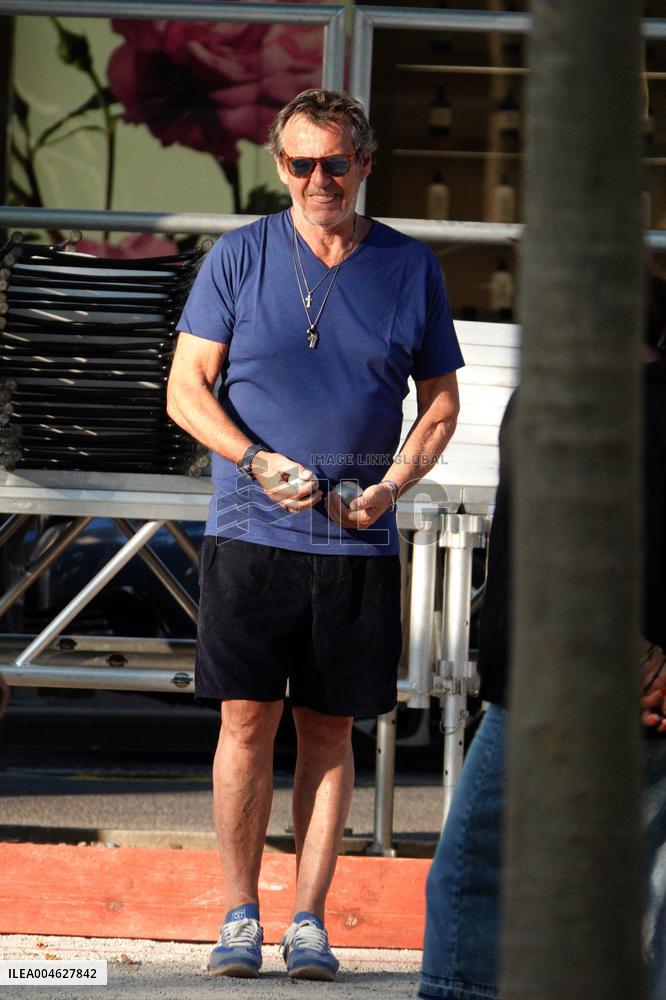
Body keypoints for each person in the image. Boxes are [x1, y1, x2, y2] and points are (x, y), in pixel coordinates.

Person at [167, 88, 464, 981]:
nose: (317, 179)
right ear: (279, 165)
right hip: (251, 532)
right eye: (299, 163)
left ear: (365, 165)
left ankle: (308, 921)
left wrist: (391, 487)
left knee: (330, 732)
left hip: (357, 537)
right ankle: (238, 914)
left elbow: (441, 402)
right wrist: (256, 461)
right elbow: (187, 390)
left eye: (336, 162)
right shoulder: (240, 256)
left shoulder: (410, 268)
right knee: (245, 721)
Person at [418, 269, 666, 1000]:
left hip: (547, 691)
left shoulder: (552, 407)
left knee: (476, 877)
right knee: (648, 896)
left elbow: (546, 556)